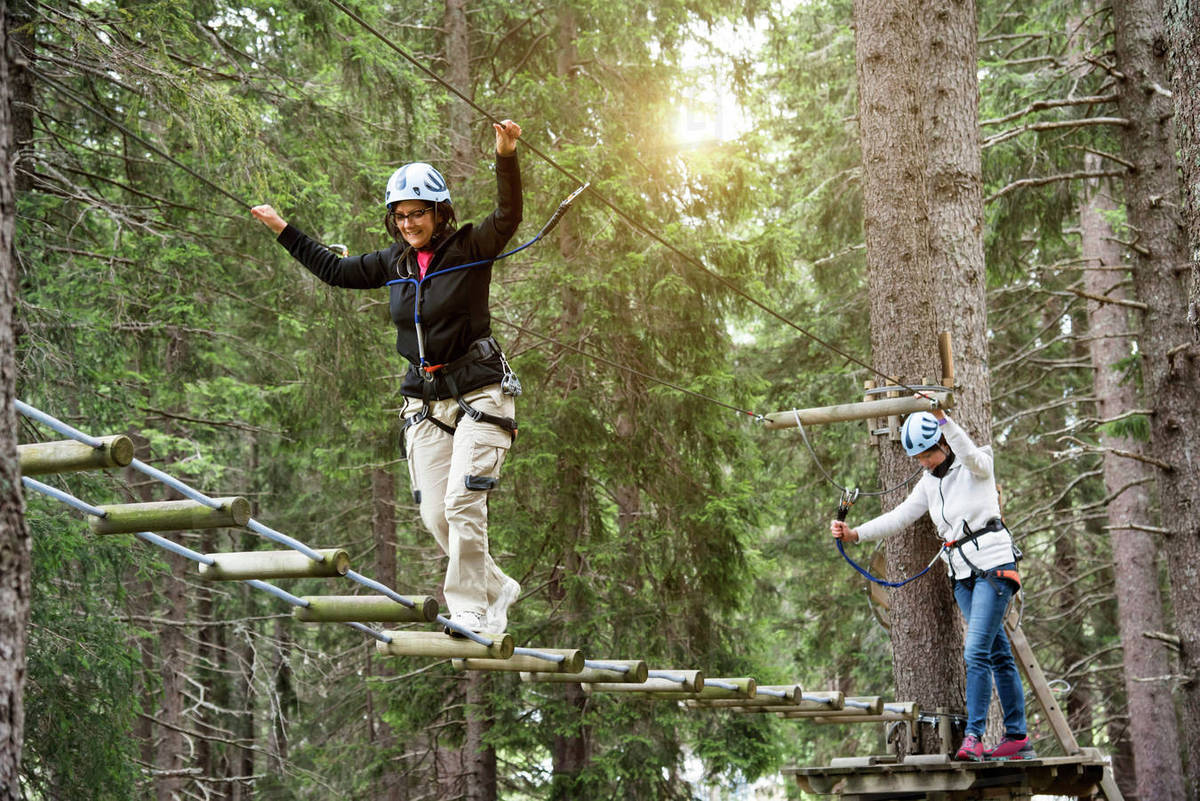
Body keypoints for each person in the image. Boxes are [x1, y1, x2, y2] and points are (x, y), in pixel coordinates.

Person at [251, 120, 526, 635]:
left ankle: (468, 608)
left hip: (482, 393)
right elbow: (337, 270)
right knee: (435, 518)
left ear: (440, 212)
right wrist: (283, 230)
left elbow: (508, 215)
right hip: (426, 401)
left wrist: (506, 155)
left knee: (463, 500)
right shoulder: (395, 264)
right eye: (399, 215)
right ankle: (494, 586)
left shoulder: (471, 248)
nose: (408, 223)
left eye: (417, 213)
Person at [830, 400, 1034, 762]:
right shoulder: (928, 483)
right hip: (963, 576)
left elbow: (972, 455)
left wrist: (944, 419)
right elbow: (899, 517)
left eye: (927, 454)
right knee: (998, 653)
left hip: (993, 568)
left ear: (942, 442)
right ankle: (1017, 736)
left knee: (975, 652)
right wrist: (854, 534)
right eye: (918, 457)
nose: (923, 462)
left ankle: (974, 736)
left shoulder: (976, 466)